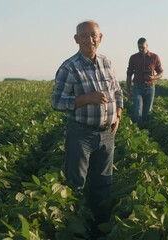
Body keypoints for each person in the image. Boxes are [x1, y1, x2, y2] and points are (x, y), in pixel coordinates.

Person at [51, 20, 123, 236]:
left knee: (104, 183)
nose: (89, 39)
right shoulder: (69, 67)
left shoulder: (106, 62)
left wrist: (117, 114)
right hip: (81, 132)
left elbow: (118, 91)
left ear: (100, 38)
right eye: (84, 36)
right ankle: (75, 228)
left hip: (106, 133)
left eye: (93, 35)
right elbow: (56, 102)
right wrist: (85, 99)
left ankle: (99, 228)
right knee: (76, 184)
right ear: (76, 40)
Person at [126, 37, 163, 128]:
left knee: (147, 114)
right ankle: (138, 133)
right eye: (139, 47)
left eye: (143, 47)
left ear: (147, 46)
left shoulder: (154, 57)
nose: (141, 49)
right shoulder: (133, 58)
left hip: (150, 88)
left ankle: (146, 133)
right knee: (137, 113)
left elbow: (161, 73)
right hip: (137, 87)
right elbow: (129, 75)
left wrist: (153, 77)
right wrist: (128, 91)